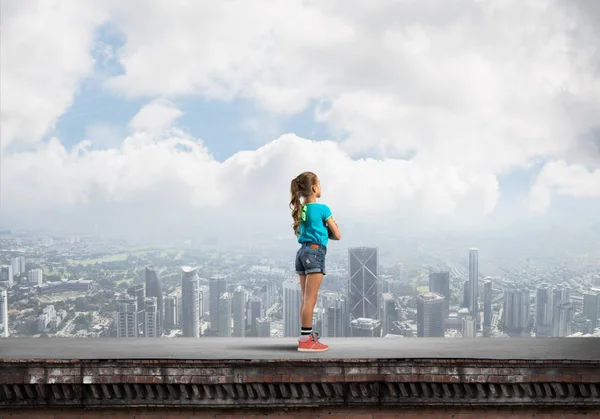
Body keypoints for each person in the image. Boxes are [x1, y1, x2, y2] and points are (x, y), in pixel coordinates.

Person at [289, 172, 341, 352]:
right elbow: (338, 235)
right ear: (314, 188)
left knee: (305, 299)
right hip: (315, 252)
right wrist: (329, 228)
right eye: (319, 183)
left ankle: (305, 336)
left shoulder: (301, 209)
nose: (320, 186)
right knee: (311, 298)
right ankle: (306, 341)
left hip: (301, 253)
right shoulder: (323, 209)